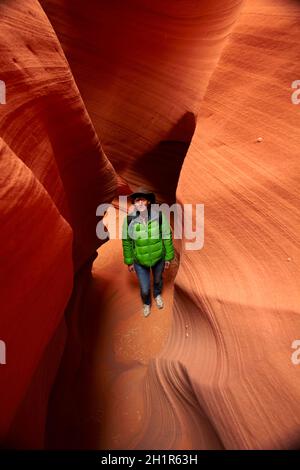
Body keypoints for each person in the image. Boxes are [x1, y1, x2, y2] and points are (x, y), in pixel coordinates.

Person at [122, 187, 175, 317]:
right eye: (136, 200)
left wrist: (168, 257)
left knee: (157, 280)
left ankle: (157, 295)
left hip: (158, 258)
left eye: (142, 200)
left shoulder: (159, 216)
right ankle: (147, 302)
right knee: (145, 289)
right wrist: (129, 261)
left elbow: (167, 235)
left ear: (148, 202)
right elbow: (126, 241)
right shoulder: (129, 220)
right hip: (140, 261)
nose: (139, 203)